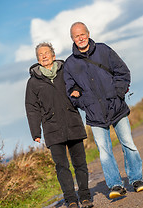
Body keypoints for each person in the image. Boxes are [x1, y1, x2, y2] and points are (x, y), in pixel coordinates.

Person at [63, 22, 143, 199]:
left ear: (88, 33)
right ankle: (115, 184)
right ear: (72, 38)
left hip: (116, 107)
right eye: (76, 36)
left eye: (82, 34)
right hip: (94, 114)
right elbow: (70, 90)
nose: (81, 38)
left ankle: (136, 179)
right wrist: (83, 102)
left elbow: (123, 72)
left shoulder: (103, 50)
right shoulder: (70, 64)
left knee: (128, 144)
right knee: (104, 152)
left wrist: (118, 93)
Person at [25, 42, 93, 208]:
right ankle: (71, 200)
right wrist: (36, 132)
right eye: (40, 54)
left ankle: (85, 196)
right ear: (38, 59)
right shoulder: (33, 82)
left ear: (53, 55)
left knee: (80, 164)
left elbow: (79, 83)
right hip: (52, 128)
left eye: (46, 53)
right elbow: (32, 108)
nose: (44, 56)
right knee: (62, 167)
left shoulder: (66, 70)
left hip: (72, 122)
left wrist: (78, 91)